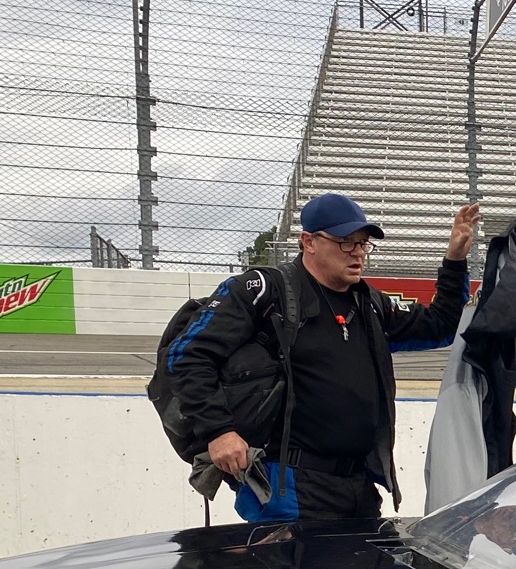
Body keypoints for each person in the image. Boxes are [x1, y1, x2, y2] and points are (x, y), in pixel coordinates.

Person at [169, 193, 479, 521]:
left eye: (363, 243)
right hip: (288, 486)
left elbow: (442, 326)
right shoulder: (263, 291)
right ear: (309, 242)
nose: (358, 252)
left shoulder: (370, 304)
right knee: (293, 557)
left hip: (359, 485)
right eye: (346, 242)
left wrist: (455, 259)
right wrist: (218, 431)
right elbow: (186, 356)